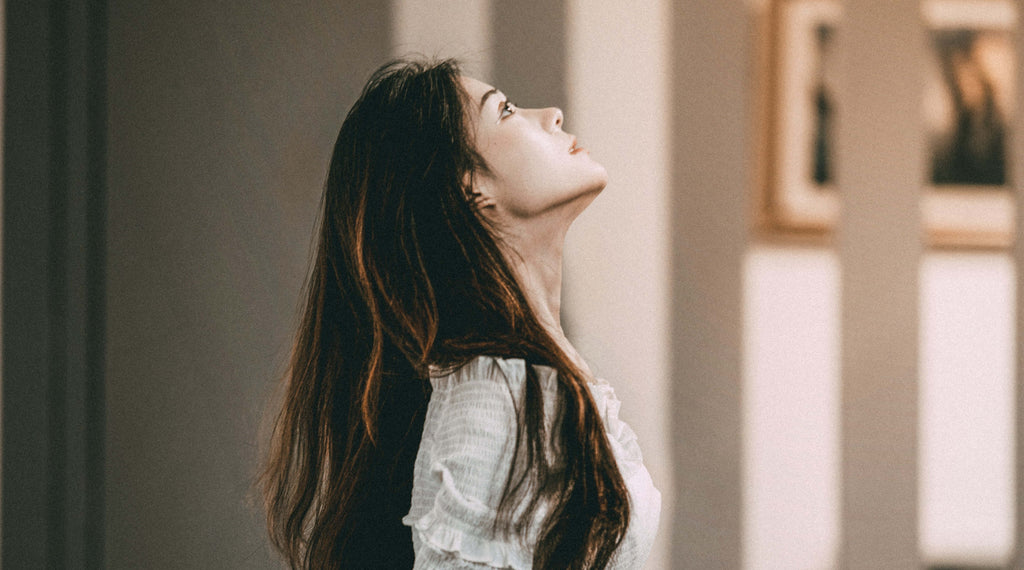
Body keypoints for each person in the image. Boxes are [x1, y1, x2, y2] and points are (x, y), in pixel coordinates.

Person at [259, 59, 661, 569]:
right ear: (472, 189)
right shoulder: (491, 394)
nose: (554, 115)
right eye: (508, 111)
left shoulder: (524, 378)